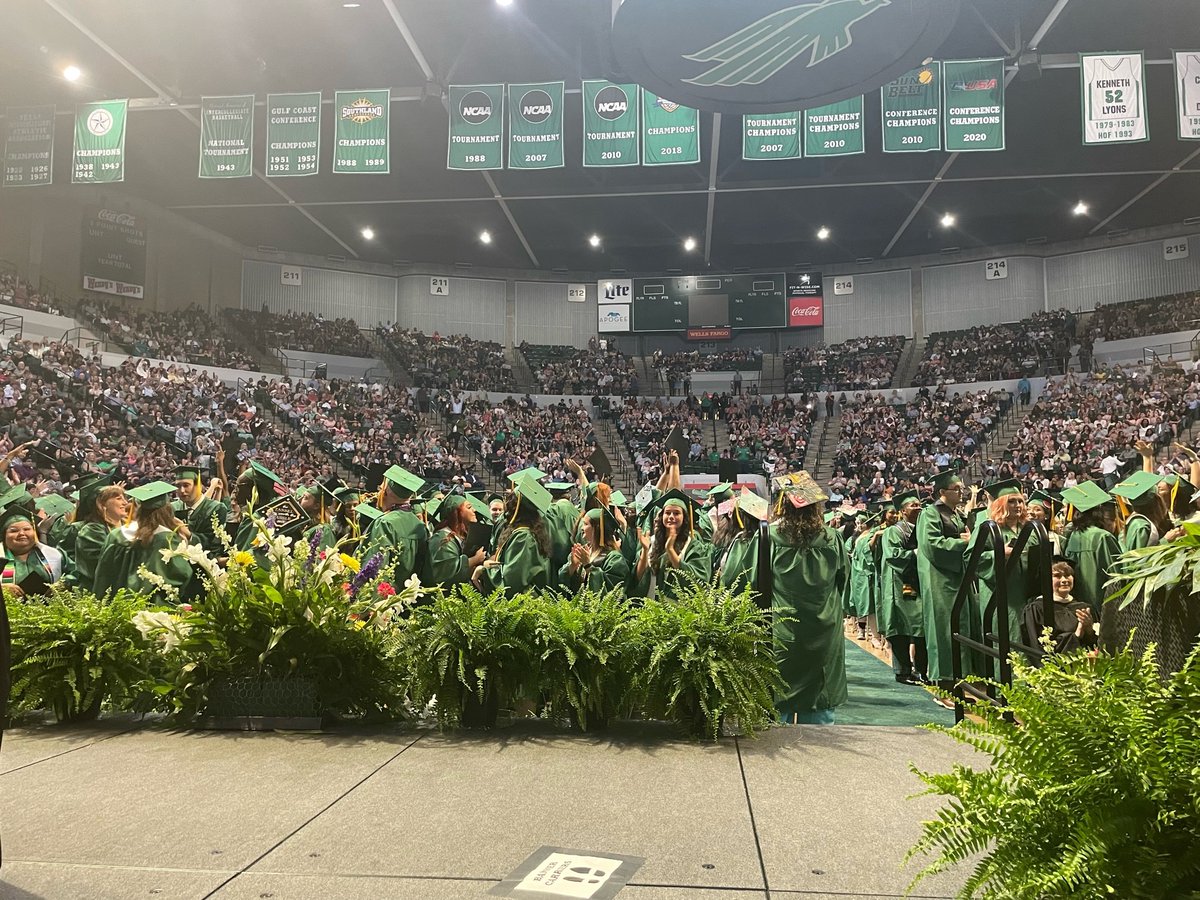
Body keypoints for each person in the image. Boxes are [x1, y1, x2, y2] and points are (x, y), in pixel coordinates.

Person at [764, 472, 847, 724]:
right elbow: (842, 580)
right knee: (820, 706)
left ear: (782, 504)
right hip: (823, 629)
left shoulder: (769, 537)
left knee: (778, 697)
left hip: (782, 628)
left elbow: (757, 583)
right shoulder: (832, 538)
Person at [917, 470, 973, 702]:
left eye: (962, 489)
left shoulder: (955, 514)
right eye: (956, 489)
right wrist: (962, 542)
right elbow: (932, 545)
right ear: (942, 492)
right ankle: (942, 688)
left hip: (956, 578)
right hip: (940, 580)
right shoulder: (930, 514)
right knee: (942, 632)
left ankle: (957, 686)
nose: (961, 492)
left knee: (958, 631)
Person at [969, 479, 1033, 674]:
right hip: (1001, 594)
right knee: (1008, 638)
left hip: (1027, 591)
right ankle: (1006, 689)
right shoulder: (990, 527)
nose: (1017, 505)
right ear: (1001, 504)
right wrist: (999, 553)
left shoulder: (1028, 528)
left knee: (1027, 637)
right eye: (1011, 501)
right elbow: (971, 558)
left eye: (1020, 501)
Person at [93, 482, 196, 601]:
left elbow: (102, 576)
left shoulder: (116, 535)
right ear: (167, 510)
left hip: (117, 609)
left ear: (139, 509)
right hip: (152, 612)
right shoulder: (166, 539)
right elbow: (182, 577)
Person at [475, 474, 552, 594]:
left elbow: (511, 580)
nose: (506, 504)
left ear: (516, 508)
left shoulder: (523, 537)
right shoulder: (524, 531)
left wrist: (484, 571)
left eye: (510, 500)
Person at [881, 490, 927, 684]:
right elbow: (893, 555)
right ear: (903, 511)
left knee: (920, 627)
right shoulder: (894, 531)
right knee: (901, 626)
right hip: (899, 584)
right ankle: (903, 672)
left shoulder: (923, 528)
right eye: (913, 505)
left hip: (918, 581)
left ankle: (923, 670)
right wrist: (917, 552)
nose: (918, 508)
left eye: (919, 505)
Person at [635, 489, 713, 599]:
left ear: (684, 518)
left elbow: (697, 581)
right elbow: (637, 579)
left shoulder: (693, 546)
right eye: (667, 513)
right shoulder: (651, 541)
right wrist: (645, 550)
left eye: (676, 513)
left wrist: (670, 550)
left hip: (679, 611)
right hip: (650, 609)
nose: (671, 516)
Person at [1062, 481, 1121, 616]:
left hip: (1079, 605)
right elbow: (1116, 574)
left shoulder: (1073, 536)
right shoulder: (1102, 537)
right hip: (1102, 605)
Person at [367, 465, 431, 584]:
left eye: (382, 486)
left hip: (386, 597)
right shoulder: (420, 526)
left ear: (388, 491)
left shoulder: (385, 523)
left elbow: (375, 569)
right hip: (409, 595)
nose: (380, 488)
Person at [1, 489, 71, 597]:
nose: (21, 534)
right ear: (4, 535)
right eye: (14, 530)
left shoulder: (54, 555)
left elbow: (77, 573)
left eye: (27, 529)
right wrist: (2, 589)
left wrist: (63, 584)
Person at [1021, 558, 1096, 654]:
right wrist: (1077, 634)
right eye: (1057, 576)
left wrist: (1089, 630)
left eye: (1068, 575)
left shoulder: (1083, 608)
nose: (1064, 580)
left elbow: (1098, 645)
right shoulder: (1036, 610)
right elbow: (1037, 648)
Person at [69, 483, 129, 592]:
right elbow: (104, 563)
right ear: (102, 504)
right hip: (98, 592)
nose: (125, 503)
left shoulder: (129, 526)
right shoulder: (92, 531)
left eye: (124, 498)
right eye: (118, 498)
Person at [561, 507, 630, 594]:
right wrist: (573, 566)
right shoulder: (582, 551)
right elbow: (563, 583)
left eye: (586, 524)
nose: (582, 528)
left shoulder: (614, 559)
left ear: (597, 528)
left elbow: (610, 593)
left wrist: (588, 566)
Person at [429, 493, 489, 589]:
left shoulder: (462, 536)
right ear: (457, 512)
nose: (474, 510)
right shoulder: (442, 538)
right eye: (469, 508)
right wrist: (475, 559)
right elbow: (446, 573)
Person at [173, 464, 228, 555]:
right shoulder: (173, 508)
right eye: (178, 486)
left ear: (198, 485)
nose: (182, 490)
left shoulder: (216, 508)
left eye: (186, 485)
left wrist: (188, 535)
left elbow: (213, 544)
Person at [1111, 471, 1169, 552]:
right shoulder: (1141, 526)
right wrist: (1166, 540)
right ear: (1156, 501)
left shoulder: (1135, 521)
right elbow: (1139, 559)